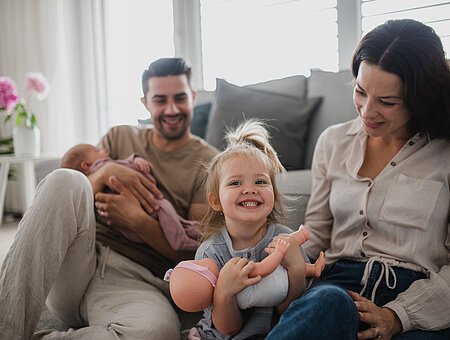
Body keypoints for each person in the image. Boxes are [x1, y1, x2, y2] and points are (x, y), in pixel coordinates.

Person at [0, 57, 218, 339]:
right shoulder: (120, 137)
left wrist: (140, 222)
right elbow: (73, 197)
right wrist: (104, 174)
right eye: (160, 100)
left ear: (194, 97)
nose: (171, 109)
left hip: (138, 283)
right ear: (145, 102)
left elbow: (197, 253)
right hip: (80, 258)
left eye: (180, 98)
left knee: (155, 332)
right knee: (66, 179)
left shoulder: (209, 163)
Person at [266, 19, 450, 340]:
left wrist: (397, 316)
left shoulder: (444, 153)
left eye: (387, 102)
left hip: (417, 302)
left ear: (422, 98)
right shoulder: (333, 142)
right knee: (327, 300)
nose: (367, 111)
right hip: (338, 289)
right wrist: (283, 253)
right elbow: (316, 236)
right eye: (361, 92)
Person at [185, 120, 312, 339]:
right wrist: (224, 292)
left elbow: (289, 313)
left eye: (260, 182)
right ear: (215, 201)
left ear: (274, 195)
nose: (249, 190)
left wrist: (297, 270)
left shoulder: (285, 240)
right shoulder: (210, 253)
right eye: (235, 183)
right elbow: (228, 329)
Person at [60, 143, 200, 250]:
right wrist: (105, 172)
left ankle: (184, 232)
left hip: (139, 224)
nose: (105, 151)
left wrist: (136, 159)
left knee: (169, 217)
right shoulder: (104, 159)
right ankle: (182, 238)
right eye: (98, 151)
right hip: (106, 239)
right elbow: (76, 198)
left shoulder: (203, 154)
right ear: (86, 165)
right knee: (167, 212)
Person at [167, 224, 325, 312]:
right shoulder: (233, 273)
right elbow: (263, 269)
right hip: (279, 288)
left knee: (285, 267)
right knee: (282, 249)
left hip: (277, 291)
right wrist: (278, 253)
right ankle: (302, 236)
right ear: (207, 275)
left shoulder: (227, 301)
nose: (201, 260)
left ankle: (312, 269)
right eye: (198, 264)